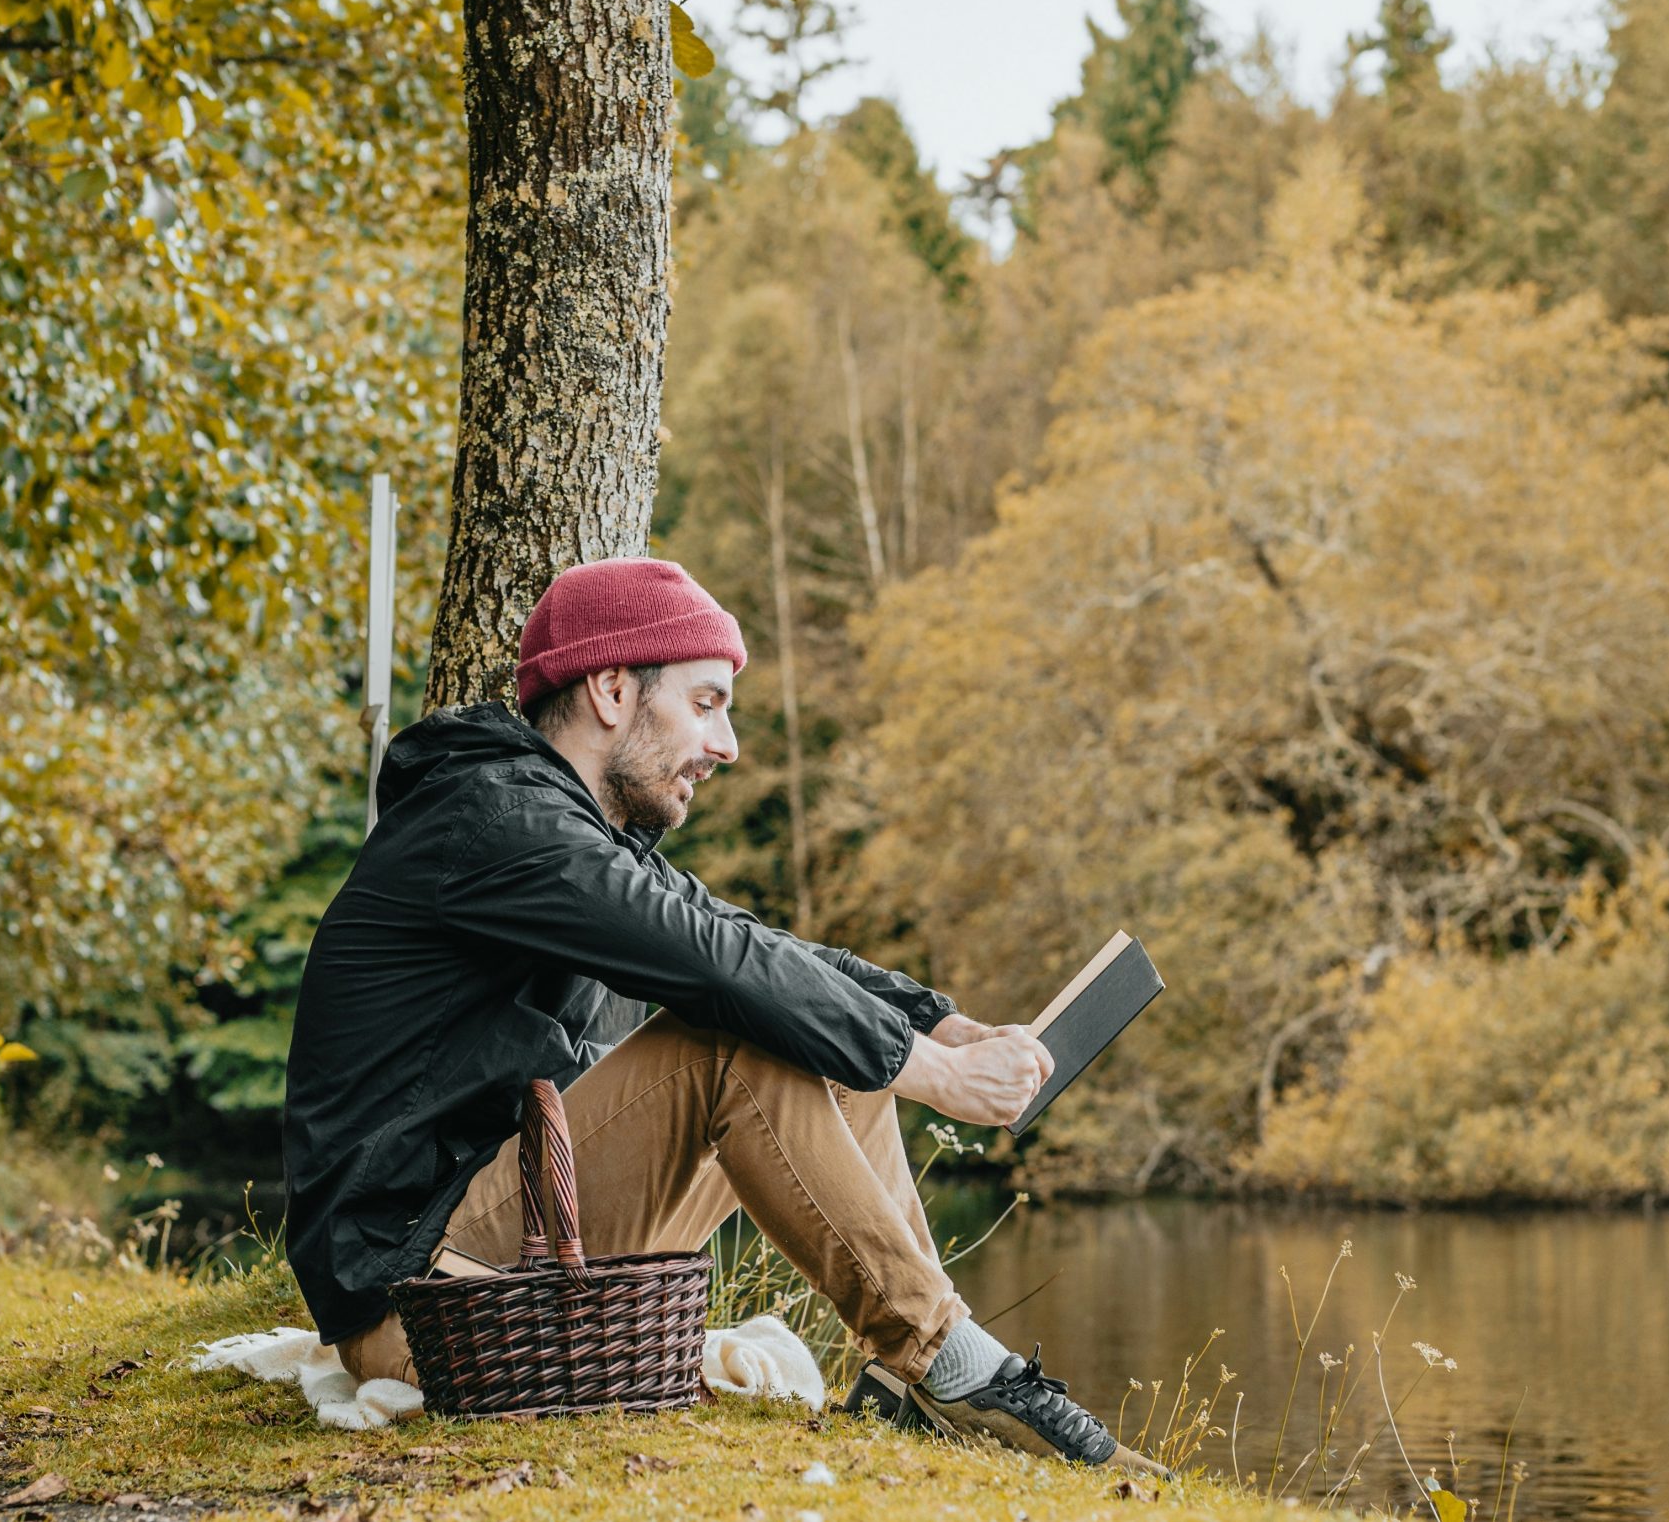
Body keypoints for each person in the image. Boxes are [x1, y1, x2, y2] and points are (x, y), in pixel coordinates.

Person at [282, 557, 1165, 1474]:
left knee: (804, 1027)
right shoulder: (494, 821)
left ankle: (920, 1381)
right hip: (423, 1295)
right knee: (731, 1038)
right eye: (706, 703)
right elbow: (720, 964)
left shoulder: (577, 831)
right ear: (615, 690)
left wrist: (941, 1024)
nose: (728, 744)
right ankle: (953, 1364)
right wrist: (931, 1074)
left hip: (508, 1244)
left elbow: (749, 941)